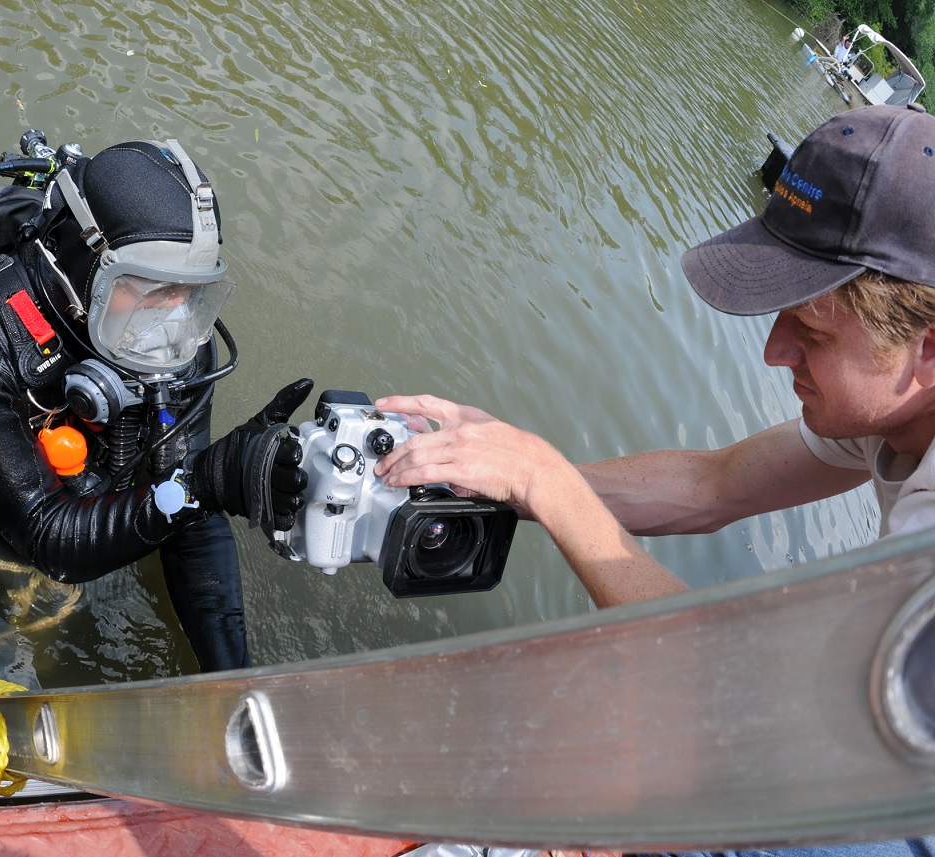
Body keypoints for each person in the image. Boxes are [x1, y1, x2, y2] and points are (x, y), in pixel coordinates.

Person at [376, 103, 935, 855]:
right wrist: (503, 471)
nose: (774, 353)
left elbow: (743, 694)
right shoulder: (890, 408)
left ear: (926, 349)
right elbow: (715, 485)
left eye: (810, 331)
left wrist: (551, 483)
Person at [0, 138, 310, 672]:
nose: (175, 318)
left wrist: (232, 678)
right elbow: (50, 540)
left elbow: (189, 510)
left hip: (76, 476)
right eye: (154, 290)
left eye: (189, 293)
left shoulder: (178, 341)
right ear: (82, 269)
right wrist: (205, 483)